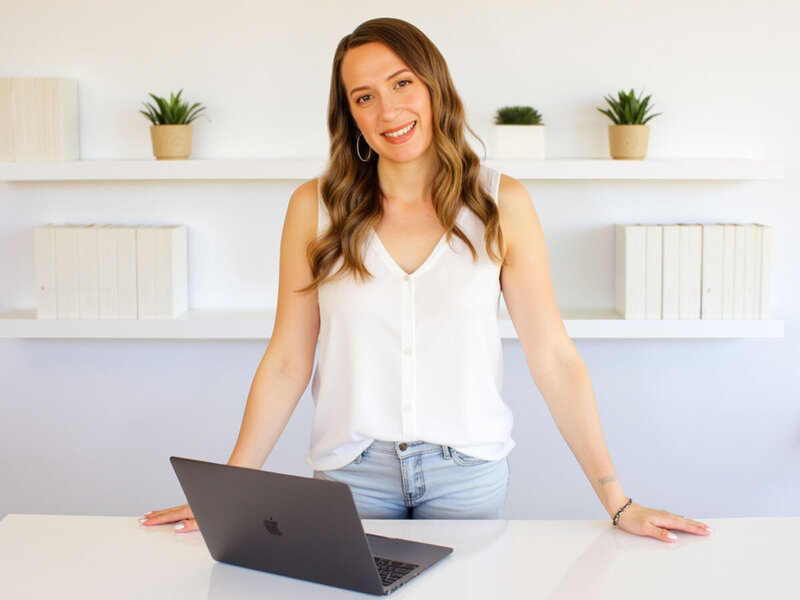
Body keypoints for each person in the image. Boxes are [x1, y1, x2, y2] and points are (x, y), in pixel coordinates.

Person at [141, 17, 712, 543]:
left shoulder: (501, 203)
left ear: (434, 86)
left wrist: (617, 499)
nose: (388, 110)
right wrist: (230, 489)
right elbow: (289, 359)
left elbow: (555, 359)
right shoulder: (313, 208)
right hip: (350, 475)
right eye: (364, 97)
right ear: (352, 117)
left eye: (402, 83)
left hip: (467, 474)